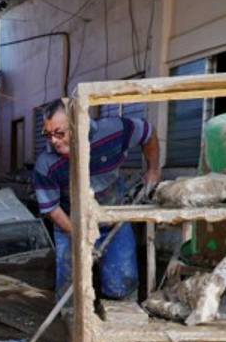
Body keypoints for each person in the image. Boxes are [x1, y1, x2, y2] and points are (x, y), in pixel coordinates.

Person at [33, 98, 161, 300]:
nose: (54, 141)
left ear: (78, 124)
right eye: (48, 134)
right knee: (71, 286)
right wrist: (82, 236)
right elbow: (52, 209)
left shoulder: (114, 131)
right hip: (71, 222)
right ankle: (70, 319)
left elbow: (148, 132)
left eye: (59, 133)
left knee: (121, 283)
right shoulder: (46, 163)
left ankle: (120, 323)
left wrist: (153, 170)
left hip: (114, 216)